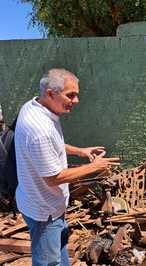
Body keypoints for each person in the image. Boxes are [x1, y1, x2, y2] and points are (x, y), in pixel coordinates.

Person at [15, 68, 119, 266]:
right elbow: (53, 177)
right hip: (44, 210)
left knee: (59, 254)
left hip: (46, 204)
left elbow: (49, 147)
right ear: (51, 93)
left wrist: (79, 151)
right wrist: (95, 167)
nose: (76, 100)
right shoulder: (40, 129)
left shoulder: (33, 106)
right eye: (70, 95)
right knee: (48, 261)